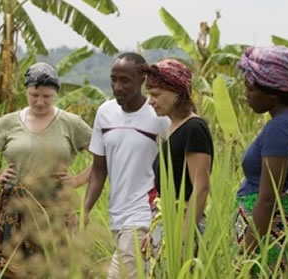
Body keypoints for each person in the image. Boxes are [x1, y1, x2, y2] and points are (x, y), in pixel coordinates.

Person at [0, 62, 92, 278]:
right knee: (13, 269)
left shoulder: (71, 123)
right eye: (34, 95)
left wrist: (77, 180)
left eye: (47, 96)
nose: (40, 102)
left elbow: (102, 156)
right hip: (16, 210)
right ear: (26, 91)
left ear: (56, 94)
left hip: (55, 210)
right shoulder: (8, 122)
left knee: (56, 266)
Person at [84, 53, 170, 279]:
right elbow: (99, 169)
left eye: (125, 80)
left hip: (145, 214)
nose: (117, 86)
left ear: (142, 79)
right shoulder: (105, 112)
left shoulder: (158, 115)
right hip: (117, 215)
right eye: (114, 79)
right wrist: (85, 209)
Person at [234, 46, 288, 275]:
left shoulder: (279, 128)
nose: (246, 94)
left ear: (273, 92)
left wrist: (246, 254)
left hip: (268, 233)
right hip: (277, 228)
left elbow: (269, 198)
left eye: (250, 88)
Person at [144, 58, 214, 267]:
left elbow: (200, 188)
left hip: (182, 225)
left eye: (155, 95)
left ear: (176, 93)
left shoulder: (194, 129)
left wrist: (182, 239)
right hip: (166, 222)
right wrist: (153, 233)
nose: (150, 101)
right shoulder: (173, 127)